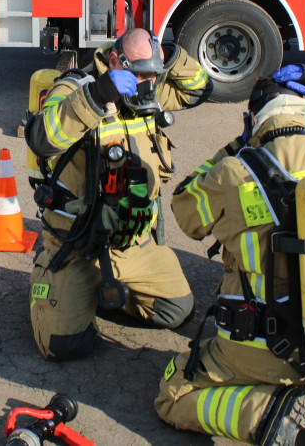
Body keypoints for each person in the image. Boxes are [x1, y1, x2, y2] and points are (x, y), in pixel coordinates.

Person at [156, 65, 305, 446]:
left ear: (253, 119)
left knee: (174, 393)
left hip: (256, 348)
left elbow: (184, 207)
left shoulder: (232, 172)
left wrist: (237, 147)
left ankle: (266, 411)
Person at [24, 28, 212, 361]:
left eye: (153, 74)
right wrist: (98, 96)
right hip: (79, 244)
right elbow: (40, 137)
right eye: (140, 73)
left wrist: (167, 53)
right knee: (63, 346)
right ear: (114, 60)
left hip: (133, 242)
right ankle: (59, 283)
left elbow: (200, 89)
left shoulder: (148, 85)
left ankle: (104, 291)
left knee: (177, 311)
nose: (147, 82)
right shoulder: (76, 88)